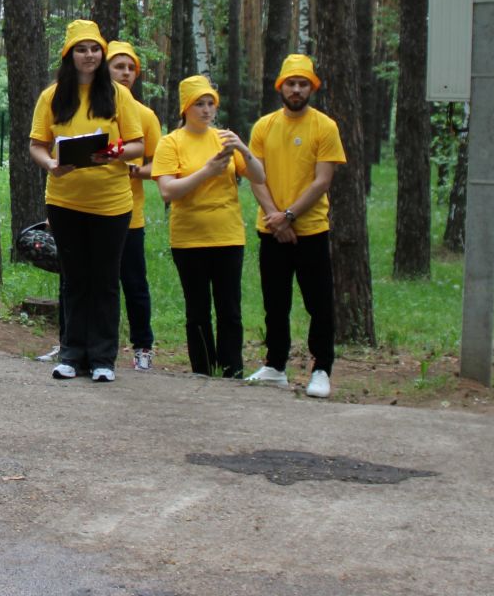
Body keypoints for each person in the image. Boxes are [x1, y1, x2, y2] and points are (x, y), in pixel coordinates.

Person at [26, 20, 145, 382]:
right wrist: (51, 165)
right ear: (69, 55)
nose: (89, 55)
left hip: (111, 204)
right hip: (64, 202)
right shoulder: (51, 96)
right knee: (74, 278)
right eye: (82, 49)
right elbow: (37, 145)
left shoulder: (118, 95)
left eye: (95, 49)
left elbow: (138, 145)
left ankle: (103, 359)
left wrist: (113, 153)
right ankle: (71, 354)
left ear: (102, 53)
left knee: (105, 281)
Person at [152, 76, 270, 378]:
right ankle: (203, 370)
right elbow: (168, 191)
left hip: (228, 234)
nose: (206, 110)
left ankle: (232, 370)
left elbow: (258, 176)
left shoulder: (224, 138)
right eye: (199, 104)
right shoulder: (171, 142)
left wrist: (244, 149)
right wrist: (207, 171)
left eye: (210, 104)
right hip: (189, 238)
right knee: (198, 310)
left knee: (230, 309)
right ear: (185, 108)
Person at [245, 54, 347, 399]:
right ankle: (275, 364)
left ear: (312, 88)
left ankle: (321, 369)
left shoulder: (325, 126)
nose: (297, 90)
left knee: (318, 303)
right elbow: (255, 177)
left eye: (303, 84)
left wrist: (289, 216)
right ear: (281, 87)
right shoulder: (263, 126)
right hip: (272, 229)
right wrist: (275, 217)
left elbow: (322, 181)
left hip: (311, 229)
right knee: (275, 302)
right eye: (291, 83)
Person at [104, 42, 162, 371]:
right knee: (85, 282)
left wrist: (137, 170)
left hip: (130, 216)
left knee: (134, 283)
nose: (126, 73)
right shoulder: (91, 106)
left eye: (130, 68)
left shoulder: (145, 116)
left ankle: (143, 347)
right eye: (118, 66)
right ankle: (76, 340)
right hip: (91, 211)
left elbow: (161, 165)